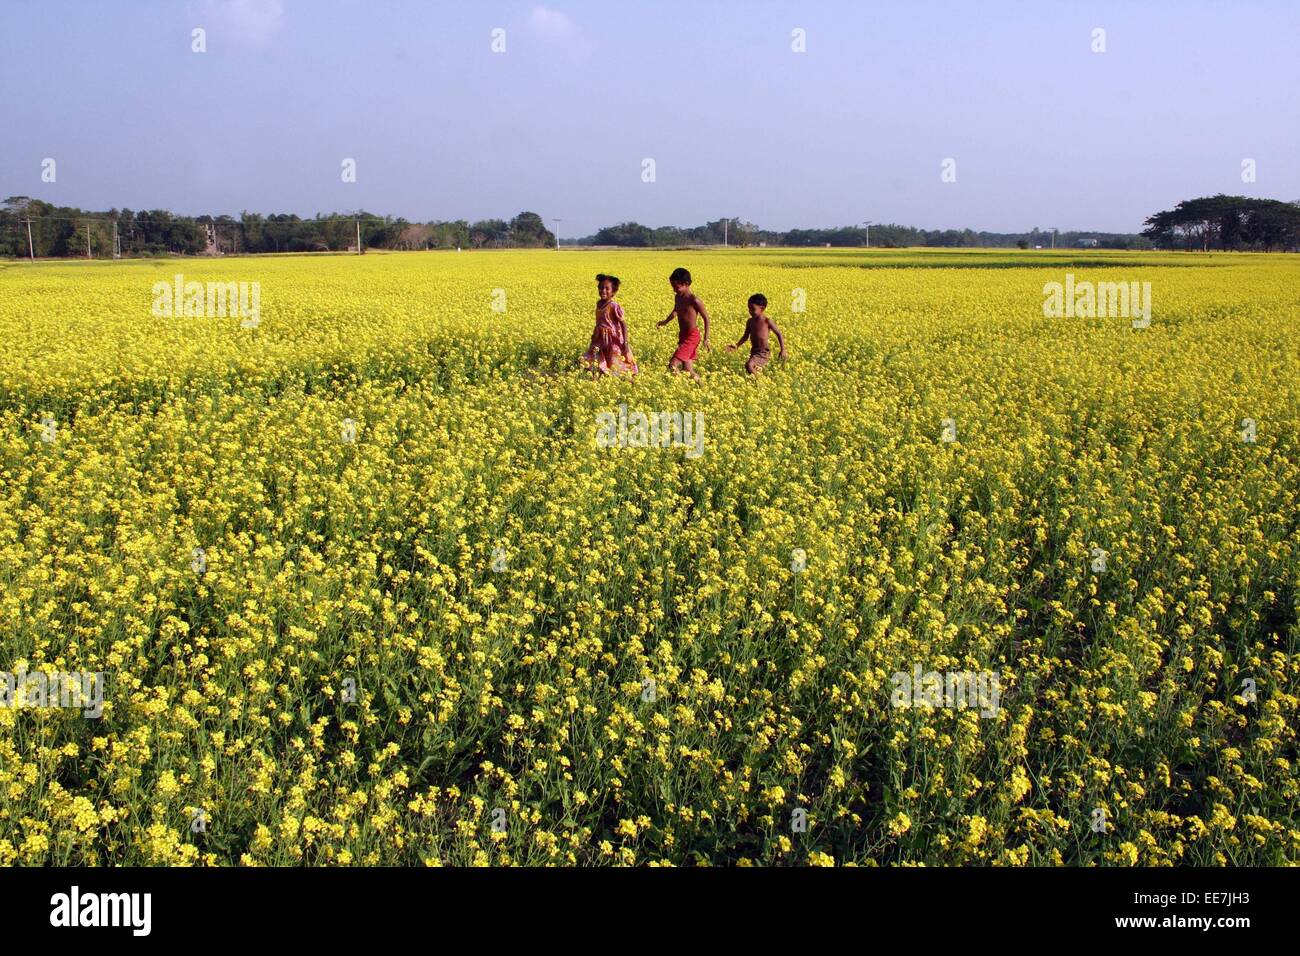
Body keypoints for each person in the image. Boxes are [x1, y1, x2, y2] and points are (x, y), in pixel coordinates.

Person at [657, 267, 710, 379]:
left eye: (676, 287)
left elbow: (706, 318)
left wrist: (706, 338)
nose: (674, 290)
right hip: (683, 335)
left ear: (686, 284)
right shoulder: (678, 297)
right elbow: (675, 311)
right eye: (673, 287)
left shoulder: (694, 300)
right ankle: (703, 388)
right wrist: (665, 322)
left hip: (692, 336)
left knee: (673, 364)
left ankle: (679, 385)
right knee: (688, 370)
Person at [582, 273, 638, 376]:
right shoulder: (598, 303)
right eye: (601, 288)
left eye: (607, 289)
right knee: (595, 356)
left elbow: (623, 324)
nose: (603, 291)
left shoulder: (614, 306)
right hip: (599, 337)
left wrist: (625, 343)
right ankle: (598, 375)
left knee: (614, 360)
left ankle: (624, 377)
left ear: (613, 292)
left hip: (612, 339)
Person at [727, 293, 786, 373]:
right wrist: (737, 345)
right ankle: (759, 381)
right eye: (749, 309)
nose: (750, 311)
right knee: (754, 369)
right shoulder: (750, 322)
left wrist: (783, 350)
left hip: (763, 352)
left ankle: (761, 383)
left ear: (762, 308)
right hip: (754, 351)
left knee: (749, 365)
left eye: (753, 309)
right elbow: (745, 336)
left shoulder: (767, 321)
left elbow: (779, 334)